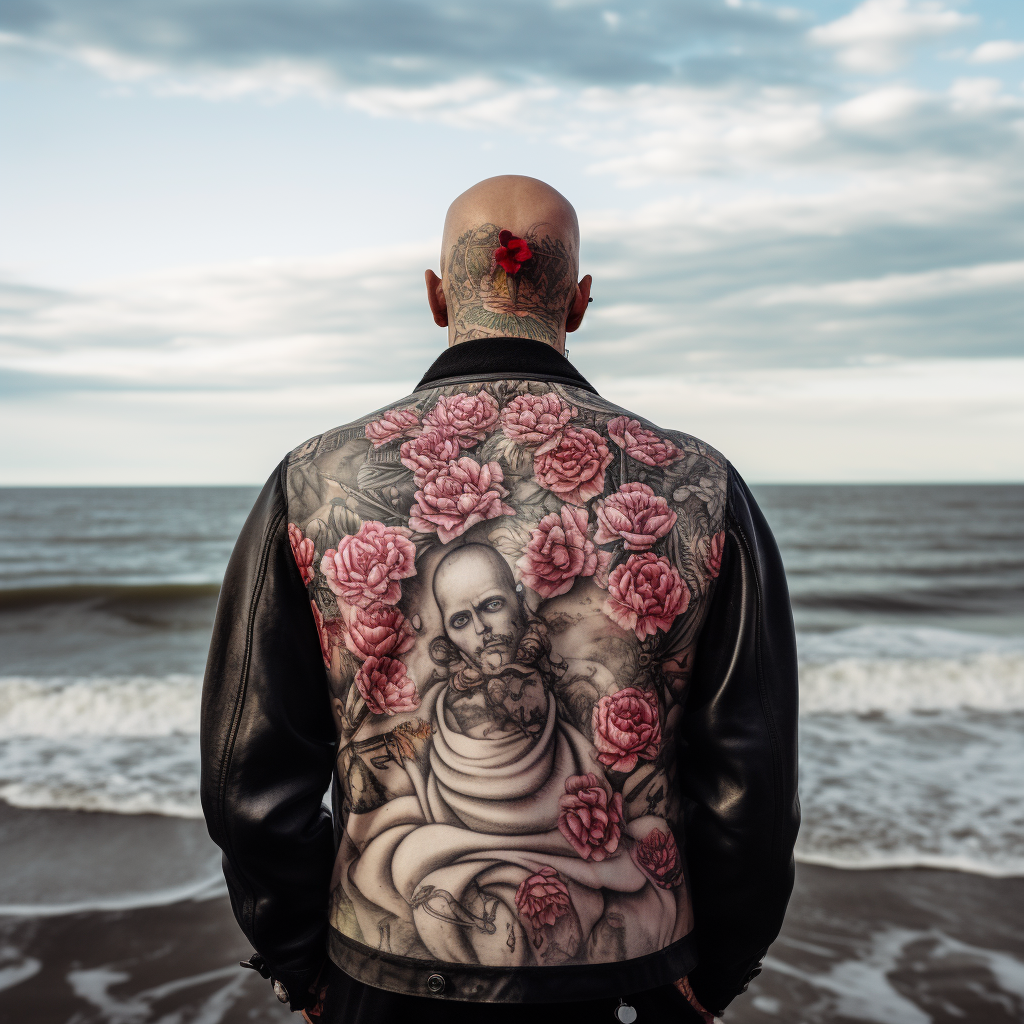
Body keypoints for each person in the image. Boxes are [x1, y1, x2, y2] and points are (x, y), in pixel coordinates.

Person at [201, 175, 799, 1023]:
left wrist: (305, 967)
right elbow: (753, 780)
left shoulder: (313, 480)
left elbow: (250, 780)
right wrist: (717, 971)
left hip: (386, 980)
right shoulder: (700, 483)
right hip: (634, 985)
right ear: (580, 302)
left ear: (437, 296)